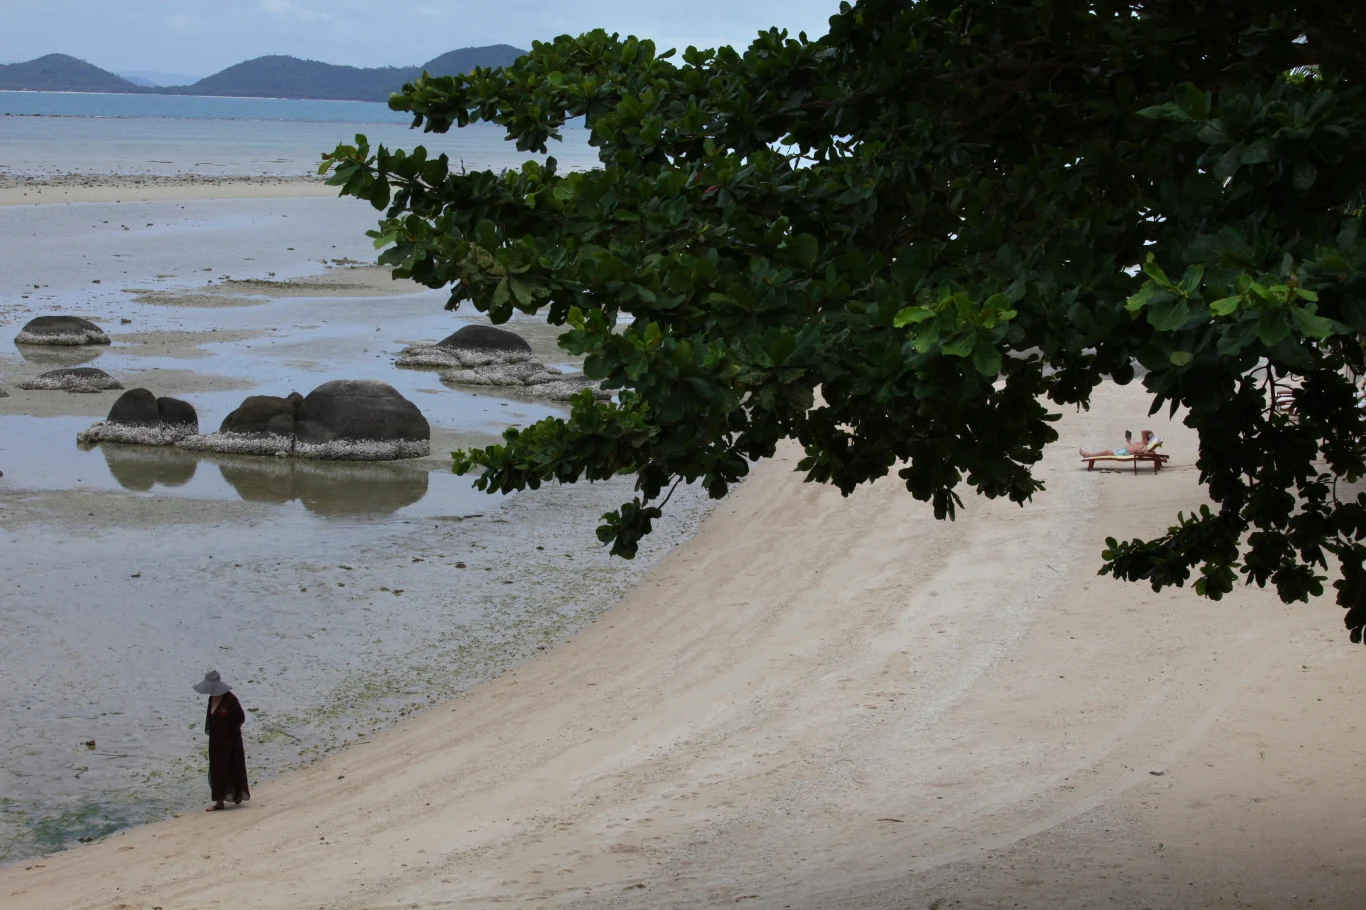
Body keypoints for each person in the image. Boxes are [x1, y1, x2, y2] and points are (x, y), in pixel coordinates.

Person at [193, 670, 250, 810]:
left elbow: (240, 718)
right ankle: (219, 802)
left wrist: (231, 734)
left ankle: (236, 794)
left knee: (232, 766)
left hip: (230, 741)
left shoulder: (230, 699)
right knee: (216, 769)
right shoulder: (211, 699)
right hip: (215, 742)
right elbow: (211, 721)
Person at [1080, 429, 1159, 459]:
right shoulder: (1144, 444)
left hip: (1124, 452)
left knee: (1106, 452)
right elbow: (1135, 448)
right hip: (1124, 451)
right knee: (1106, 452)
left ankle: (1087, 455)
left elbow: (1143, 431)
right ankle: (1088, 454)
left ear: (1146, 438)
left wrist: (1151, 433)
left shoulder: (1145, 443)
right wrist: (1129, 442)